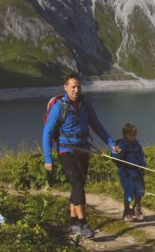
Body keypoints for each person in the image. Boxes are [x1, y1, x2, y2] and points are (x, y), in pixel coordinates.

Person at [42, 73, 118, 238]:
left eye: (78, 87)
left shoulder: (85, 105)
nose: (76, 90)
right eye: (73, 87)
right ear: (65, 88)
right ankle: (83, 224)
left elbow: (97, 125)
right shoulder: (59, 107)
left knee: (79, 185)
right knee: (76, 184)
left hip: (83, 150)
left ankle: (72, 223)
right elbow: (47, 132)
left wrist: (111, 143)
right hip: (66, 150)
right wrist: (47, 158)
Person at [113, 122, 146, 222]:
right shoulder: (121, 144)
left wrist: (143, 164)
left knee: (140, 190)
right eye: (131, 135)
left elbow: (141, 156)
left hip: (137, 173)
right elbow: (115, 156)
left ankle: (137, 207)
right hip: (126, 173)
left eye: (134, 135)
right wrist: (116, 153)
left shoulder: (137, 144)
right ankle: (127, 211)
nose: (133, 137)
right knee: (129, 192)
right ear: (125, 135)